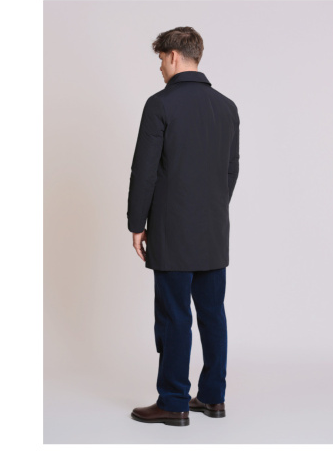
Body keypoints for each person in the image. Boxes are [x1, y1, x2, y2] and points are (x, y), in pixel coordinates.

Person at [127, 26, 240, 426]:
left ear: (174, 55)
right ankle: (213, 398)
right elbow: (231, 170)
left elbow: (144, 171)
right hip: (213, 229)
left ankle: (173, 401)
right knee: (212, 314)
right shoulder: (227, 107)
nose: (160, 67)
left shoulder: (160, 104)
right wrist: (212, 209)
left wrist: (136, 223)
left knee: (174, 315)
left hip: (172, 229)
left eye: (161, 59)